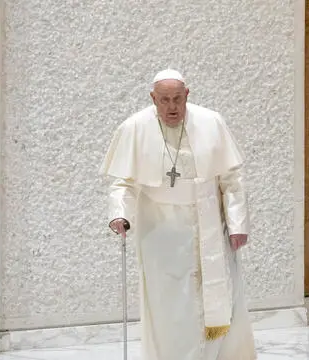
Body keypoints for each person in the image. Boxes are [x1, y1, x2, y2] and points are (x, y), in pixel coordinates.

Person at [100, 69, 256, 360]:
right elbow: (122, 183)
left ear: (187, 95)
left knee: (219, 301)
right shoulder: (135, 127)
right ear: (152, 99)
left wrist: (237, 224)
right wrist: (119, 215)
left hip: (208, 223)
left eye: (177, 99)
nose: (171, 107)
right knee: (171, 309)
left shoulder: (211, 122)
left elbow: (231, 179)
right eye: (164, 100)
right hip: (160, 234)